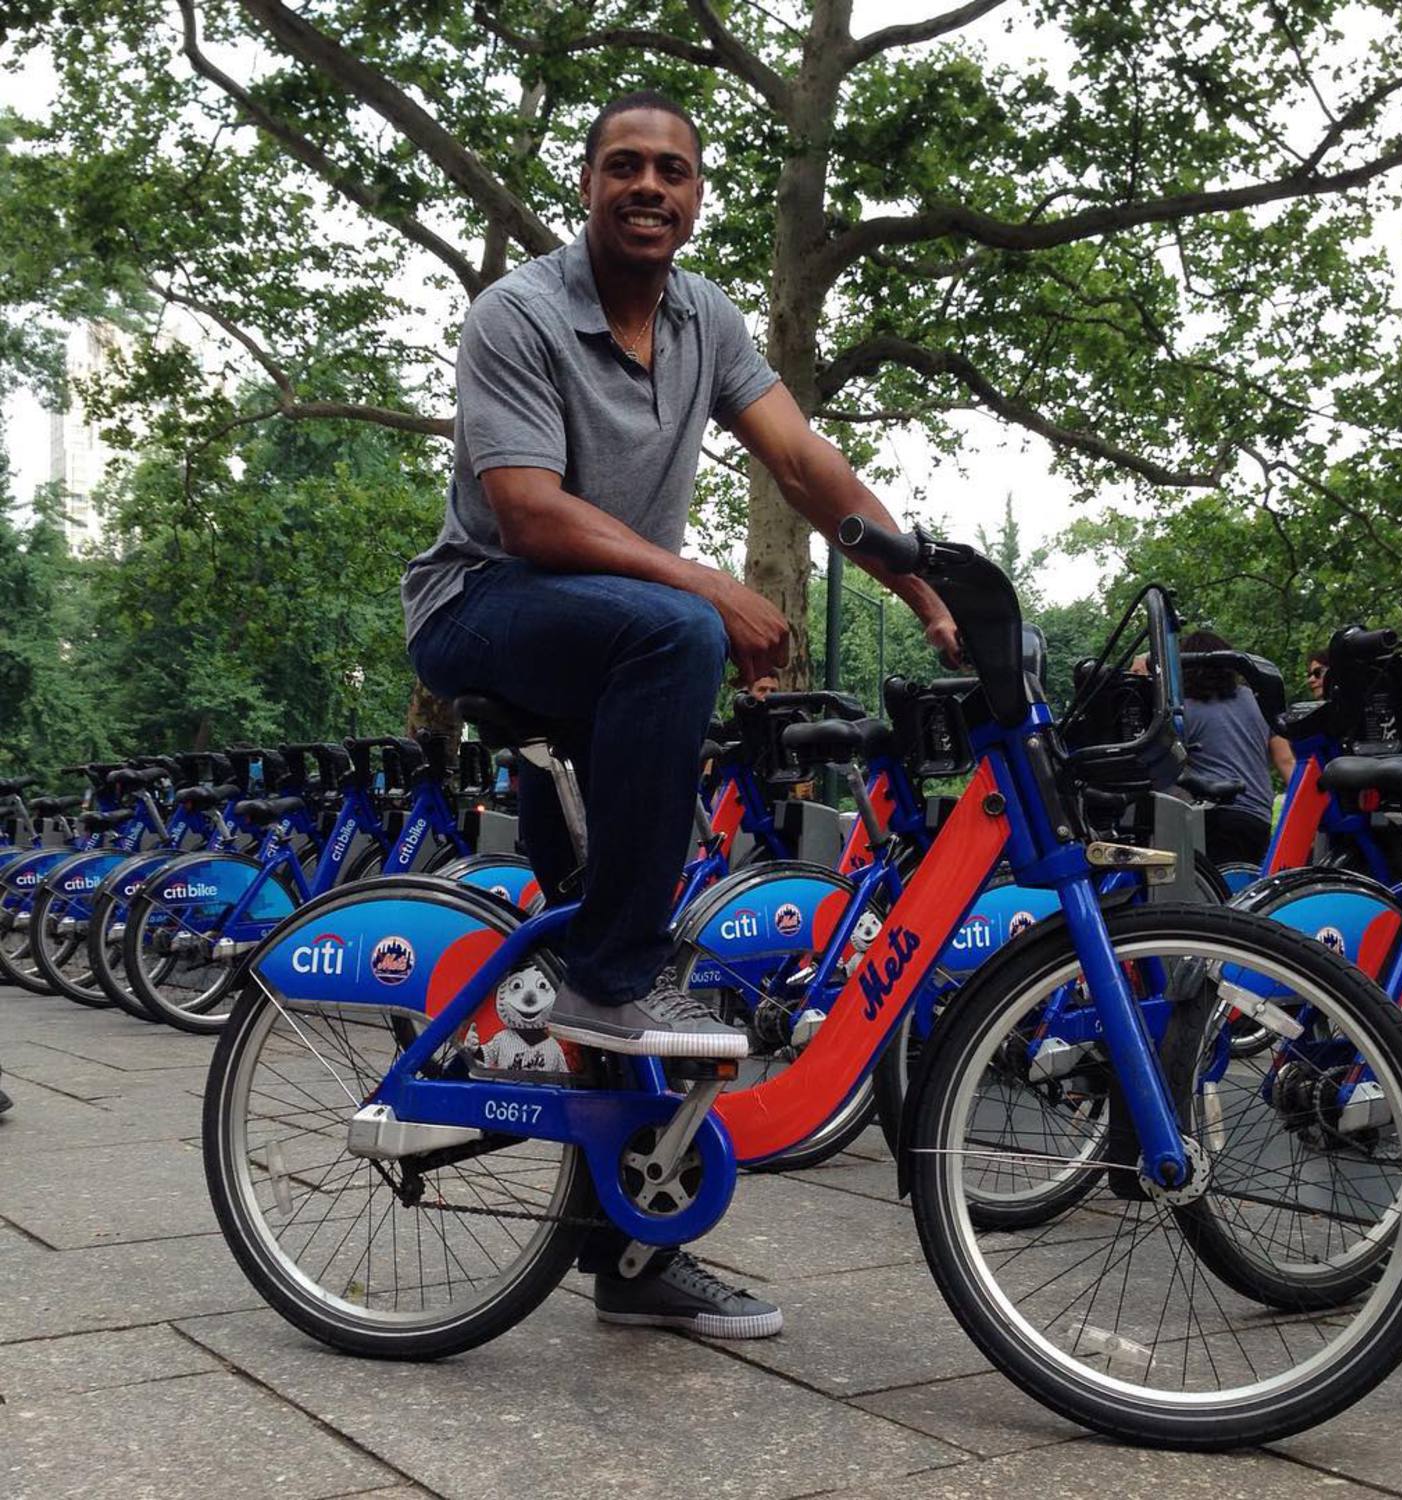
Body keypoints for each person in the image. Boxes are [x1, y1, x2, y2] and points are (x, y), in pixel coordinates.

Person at [403, 91, 958, 1339]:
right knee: (673, 655)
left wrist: (925, 589)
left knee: (627, 907)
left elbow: (805, 466)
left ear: (699, 196)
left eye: (675, 171)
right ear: (588, 183)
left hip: (608, 645)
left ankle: (635, 1261)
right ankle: (608, 971)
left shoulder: (704, 320)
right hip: (485, 606)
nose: (650, 186)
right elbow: (531, 513)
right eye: (626, 167)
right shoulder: (521, 314)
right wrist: (711, 585)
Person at [1178, 630, 1294, 865]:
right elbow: (1286, 761)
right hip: (1258, 816)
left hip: (1212, 819)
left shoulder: (1183, 711)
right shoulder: (1256, 699)